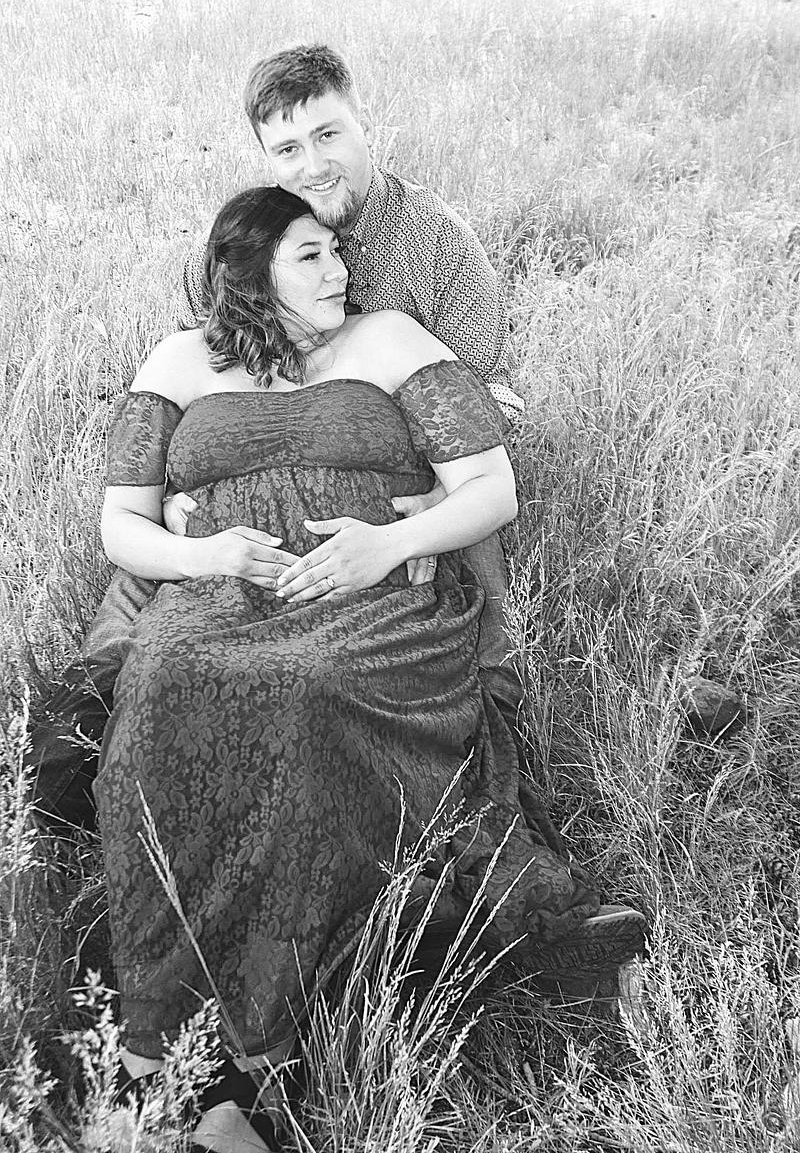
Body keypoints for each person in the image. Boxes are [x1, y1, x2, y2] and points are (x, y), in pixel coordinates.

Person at [97, 185, 644, 1153]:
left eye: (338, 251)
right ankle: (164, 1048)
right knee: (156, 693)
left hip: (374, 596)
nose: (338, 270)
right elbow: (121, 522)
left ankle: (270, 1039)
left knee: (306, 694)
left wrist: (388, 546)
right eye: (309, 256)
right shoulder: (177, 362)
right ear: (248, 270)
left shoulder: (388, 339)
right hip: (222, 592)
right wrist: (204, 554)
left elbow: (491, 490)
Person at [25, 44, 526, 835]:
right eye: (288, 149)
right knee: (133, 660)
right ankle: (102, 761)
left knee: (460, 613)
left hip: (395, 505)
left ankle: (490, 713)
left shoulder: (434, 247)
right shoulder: (249, 239)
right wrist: (190, 506)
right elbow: (214, 361)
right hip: (230, 554)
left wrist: (428, 503)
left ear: (363, 124)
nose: (313, 165)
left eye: (328, 135)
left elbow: (482, 397)